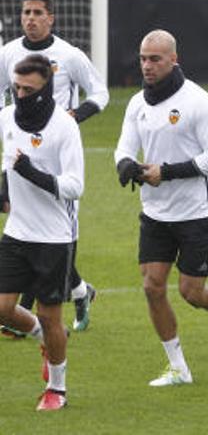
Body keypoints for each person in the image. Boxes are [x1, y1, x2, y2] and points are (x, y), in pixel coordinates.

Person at [113, 29, 208, 386]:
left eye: (155, 59)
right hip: (155, 212)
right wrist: (126, 165)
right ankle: (178, 367)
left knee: (192, 293)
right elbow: (123, 149)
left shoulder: (198, 101)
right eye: (143, 58)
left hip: (195, 211)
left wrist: (168, 173)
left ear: (174, 60)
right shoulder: (136, 104)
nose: (147, 65)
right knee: (152, 286)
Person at [0, 0, 106, 333]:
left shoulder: (69, 55)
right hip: (18, 154)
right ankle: (78, 291)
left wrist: (76, 116)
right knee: (25, 226)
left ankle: (32, 317)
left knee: (55, 233)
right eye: (26, 12)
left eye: (37, 13)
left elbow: (100, 93)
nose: (30, 18)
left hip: (57, 159)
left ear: (51, 17)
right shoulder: (8, 53)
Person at [0, 54, 84, 410]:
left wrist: (33, 174)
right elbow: (8, 164)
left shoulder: (64, 127)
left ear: (46, 88)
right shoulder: (6, 117)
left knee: (52, 315)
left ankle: (58, 389)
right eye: (16, 87)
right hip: (17, 230)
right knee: (3, 309)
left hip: (53, 236)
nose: (20, 94)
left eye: (28, 89)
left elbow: (75, 185)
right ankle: (46, 337)